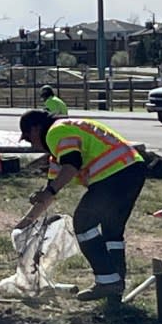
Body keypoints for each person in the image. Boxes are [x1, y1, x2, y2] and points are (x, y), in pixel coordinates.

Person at [17, 109, 146, 301]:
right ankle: (115, 285)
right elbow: (51, 192)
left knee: (83, 222)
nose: (34, 146)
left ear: (36, 129)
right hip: (132, 169)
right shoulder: (60, 145)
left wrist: (49, 191)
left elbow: (71, 166)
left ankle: (108, 281)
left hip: (115, 174)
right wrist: (24, 224)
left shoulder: (56, 132)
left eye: (29, 139)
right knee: (112, 230)